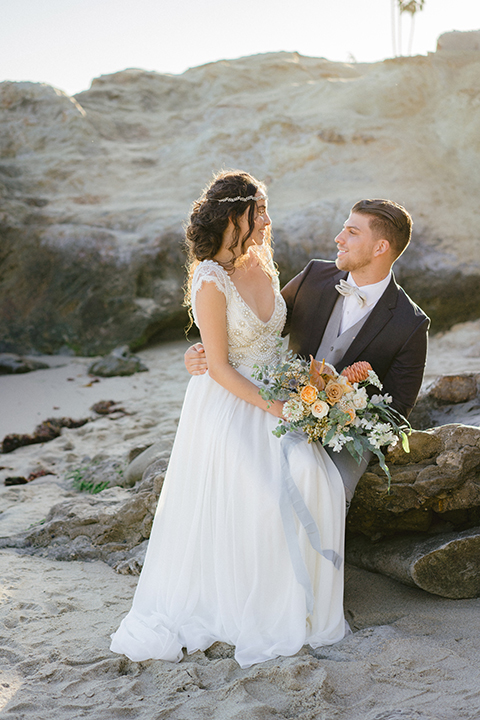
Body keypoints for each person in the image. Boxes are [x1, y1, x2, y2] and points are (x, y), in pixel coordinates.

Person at [110, 170, 348, 670]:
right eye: (258, 210)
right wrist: (276, 406)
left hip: (279, 392)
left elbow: (277, 334)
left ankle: (302, 603)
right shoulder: (209, 279)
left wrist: (302, 391)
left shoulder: (263, 262)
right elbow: (217, 365)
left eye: (265, 209)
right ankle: (245, 604)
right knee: (260, 494)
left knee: (314, 476)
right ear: (232, 217)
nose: (267, 219)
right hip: (230, 403)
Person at [185, 198, 430, 506]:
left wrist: (340, 420)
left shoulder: (410, 323)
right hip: (282, 408)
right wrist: (204, 350)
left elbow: (398, 410)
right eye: (343, 229)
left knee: (327, 496)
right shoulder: (314, 277)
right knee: (253, 486)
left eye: (352, 232)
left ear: (380, 248)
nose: (338, 239)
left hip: (346, 436)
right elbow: (263, 326)